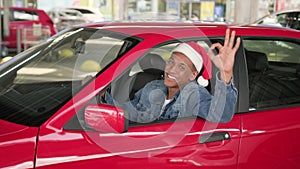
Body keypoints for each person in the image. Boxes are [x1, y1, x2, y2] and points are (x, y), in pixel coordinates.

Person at [106, 28, 240, 123]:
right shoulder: (152, 86)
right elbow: (129, 111)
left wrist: (226, 72)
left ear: (193, 75)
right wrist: (103, 97)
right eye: (171, 62)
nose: (171, 70)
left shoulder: (192, 94)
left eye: (182, 67)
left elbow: (221, 115)